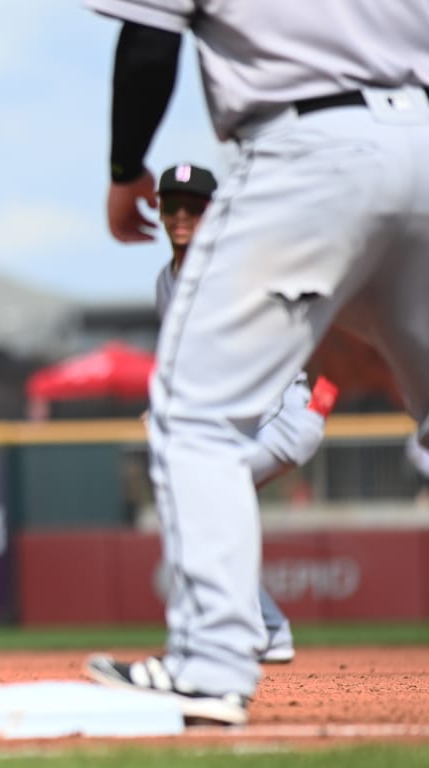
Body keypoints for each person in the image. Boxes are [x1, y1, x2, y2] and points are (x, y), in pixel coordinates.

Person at [85, 1, 429, 726]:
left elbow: (150, 39)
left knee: (193, 421)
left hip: (308, 146)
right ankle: (254, 628)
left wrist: (125, 168)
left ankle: (212, 664)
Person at [152, 162, 341, 667]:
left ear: (215, 212)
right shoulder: (167, 284)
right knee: (202, 511)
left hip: (285, 421)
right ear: (157, 208)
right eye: (172, 204)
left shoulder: (240, 269)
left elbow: (327, 317)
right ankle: (268, 628)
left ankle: (256, 629)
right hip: (240, 429)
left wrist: (322, 404)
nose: (181, 215)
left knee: (197, 502)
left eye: (194, 206)